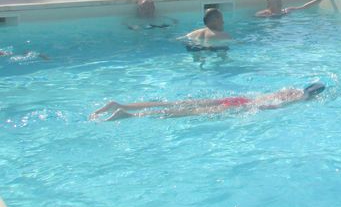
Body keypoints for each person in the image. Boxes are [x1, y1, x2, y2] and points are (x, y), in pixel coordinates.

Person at [91, 82, 327, 121]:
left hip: (235, 99)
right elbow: (264, 107)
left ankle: (121, 105)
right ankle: (129, 115)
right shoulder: (296, 99)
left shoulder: (288, 89)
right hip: (238, 105)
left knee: (173, 104)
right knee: (185, 113)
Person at [255, 0, 333, 18]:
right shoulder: (264, 14)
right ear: (269, 4)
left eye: (279, 1)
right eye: (275, 1)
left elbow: (304, 7)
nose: (279, 3)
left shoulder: (287, 11)